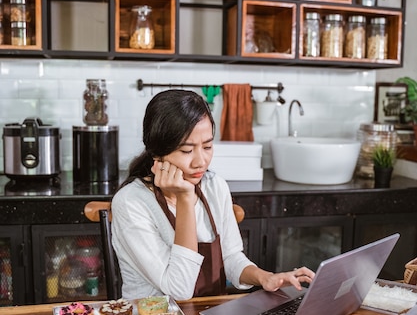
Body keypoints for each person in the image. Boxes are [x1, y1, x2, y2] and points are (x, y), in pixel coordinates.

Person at [111, 89, 315, 300]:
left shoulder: (214, 186)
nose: (201, 161)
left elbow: (231, 258)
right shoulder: (131, 203)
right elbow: (179, 290)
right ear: (157, 153)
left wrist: (266, 277)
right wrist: (186, 199)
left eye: (207, 146)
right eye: (187, 151)